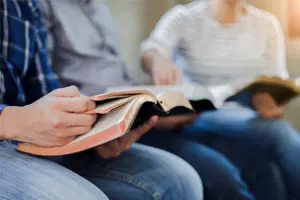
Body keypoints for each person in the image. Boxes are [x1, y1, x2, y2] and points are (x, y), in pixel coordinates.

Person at [38, 0, 260, 199]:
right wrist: (147, 113)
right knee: (218, 174)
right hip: (102, 122)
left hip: (137, 115)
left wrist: (157, 106)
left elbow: (122, 79)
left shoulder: (99, 9)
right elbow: (45, 92)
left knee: (245, 154)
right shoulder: (43, 7)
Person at [0, 1, 204, 200]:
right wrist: (14, 121)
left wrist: (92, 134)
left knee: (179, 179)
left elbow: (43, 92)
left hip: (28, 141)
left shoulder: (26, 5)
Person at [140, 0, 300, 199]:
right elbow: (151, 50)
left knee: (266, 161)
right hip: (199, 113)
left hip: (247, 113)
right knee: (277, 132)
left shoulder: (266, 24)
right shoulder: (183, 17)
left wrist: (271, 103)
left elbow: (277, 80)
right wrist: (158, 60)